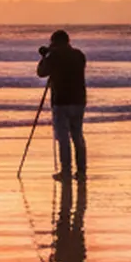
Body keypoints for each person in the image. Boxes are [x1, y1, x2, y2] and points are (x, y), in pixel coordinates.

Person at [35, 30, 87, 180]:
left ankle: (66, 171)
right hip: (78, 99)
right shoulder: (79, 55)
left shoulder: (55, 56)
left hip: (61, 100)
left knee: (63, 137)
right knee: (77, 136)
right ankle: (81, 171)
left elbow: (41, 72)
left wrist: (46, 56)